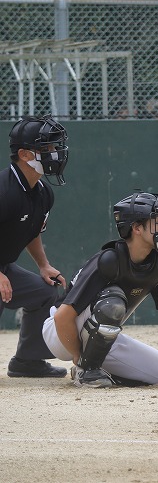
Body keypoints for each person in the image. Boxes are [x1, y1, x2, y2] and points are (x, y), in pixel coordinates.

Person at [42, 192, 158, 387]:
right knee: (113, 303)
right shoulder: (109, 261)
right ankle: (86, 371)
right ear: (137, 228)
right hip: (61, 333)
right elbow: (62, 317)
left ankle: (99, 369)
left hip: (101, 337)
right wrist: (78, 357)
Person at [1, 115, 70, 378]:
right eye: (47, 148)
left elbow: (32, 231)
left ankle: (27, 361)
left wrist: (43, 265)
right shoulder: (4, 191)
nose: (55, 153)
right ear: (24, 154)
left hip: (5, 266)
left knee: (45, 291)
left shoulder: (43, 192)